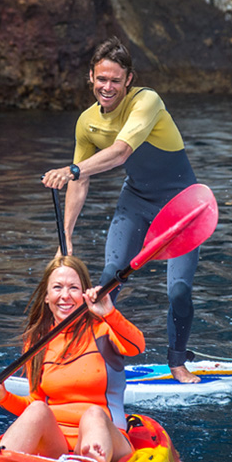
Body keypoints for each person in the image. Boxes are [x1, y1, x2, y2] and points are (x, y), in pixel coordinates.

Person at [42, 36, 200, 383]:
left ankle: (177, 361)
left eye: (115, 80)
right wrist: (66, 238)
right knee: (108, 280)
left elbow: (120, 152)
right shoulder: (86, 122)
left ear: (129, 79)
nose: (107, 87)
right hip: (138, 200)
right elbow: (80, 182)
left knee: (178, 290)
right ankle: (85, 358)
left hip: (182, 205)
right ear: (91, 77)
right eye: (101, 79)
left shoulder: (147, 101)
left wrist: (72, 169)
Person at [0, 255, 145, 462]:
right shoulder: (36, 341)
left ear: (85, 294)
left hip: (107, 436)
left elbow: (137, 346)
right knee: (38, 410)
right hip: (56, 442)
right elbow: (35, 402)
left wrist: (110, 313)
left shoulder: (104, 329)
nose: (65, 296)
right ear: (47, 297)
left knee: (93, 414)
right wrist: (4, 397)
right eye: (57, 287)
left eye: (74, 288)